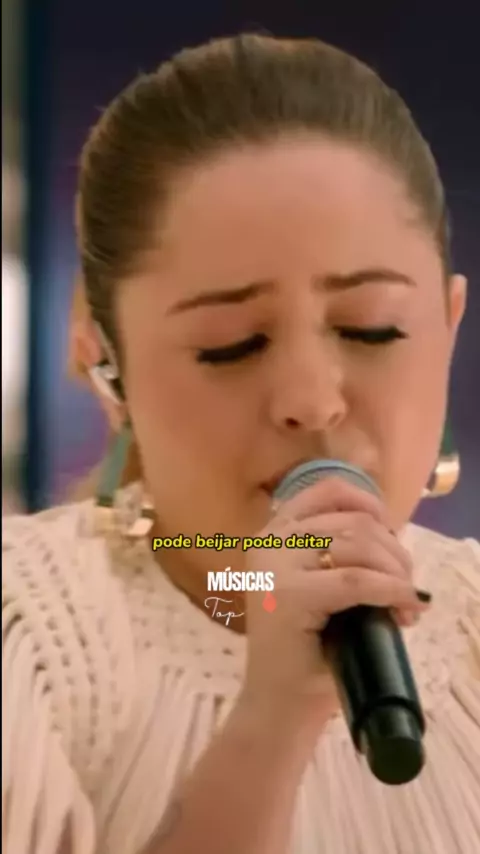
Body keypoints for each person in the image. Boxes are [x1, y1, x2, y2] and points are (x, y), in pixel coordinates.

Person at [2, 32, 479, 854]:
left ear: (447, 327)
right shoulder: (35, 636)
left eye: (371, 329)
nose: (311, 399)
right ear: (107, 368)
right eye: (231, 345)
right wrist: (270, 725)